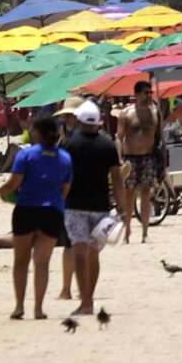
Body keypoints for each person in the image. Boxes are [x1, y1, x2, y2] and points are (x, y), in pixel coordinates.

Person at [0, 112, 71, 322]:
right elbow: (65, 190)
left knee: (20, 261)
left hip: (26, 210)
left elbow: (14, 183)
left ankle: (19, 306)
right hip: (52, 212)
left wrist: (1, 192)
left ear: (38, 133)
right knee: (42, 263)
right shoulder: (65, 158)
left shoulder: (26, 155)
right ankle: (38, 309)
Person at [60, 100, 121, 319]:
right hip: (101, 206)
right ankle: (89, 298)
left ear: (78, 120)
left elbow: (61, 176)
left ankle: (85, 301)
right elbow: (117, 178)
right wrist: (123, 209)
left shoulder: (68, 145)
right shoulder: (108, 145)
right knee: (94, 254)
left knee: (79, 251)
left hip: (74, 205)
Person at [115, 81, 163, 243]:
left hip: (148, 157)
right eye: (145, 93)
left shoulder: (155, 112)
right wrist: (119, 158)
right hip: (130, 158)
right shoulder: (126, 113)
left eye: (150, 92)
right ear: (136, 94)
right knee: (128, 196)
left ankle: (145, 233)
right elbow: (119, 137)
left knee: (146, 194)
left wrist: (164, 161)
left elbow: (160, 138)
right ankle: (127, 232)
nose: (149, 95)